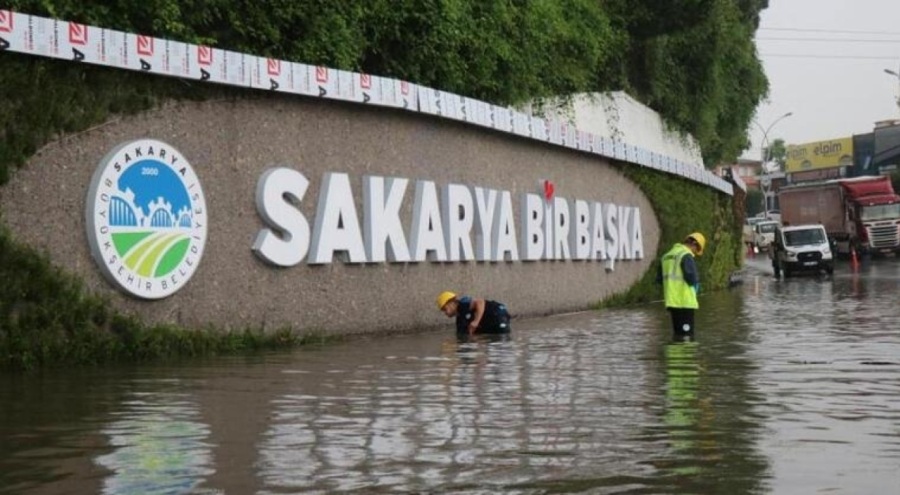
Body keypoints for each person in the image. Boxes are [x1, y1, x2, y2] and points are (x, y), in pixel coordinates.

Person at [658, 232, 705, 337]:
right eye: (696, 250)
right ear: (694, 244)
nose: (695, 254)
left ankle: (675, 353)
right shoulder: (686, 255)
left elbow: (660, 279)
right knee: (687, 336)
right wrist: (696, 285)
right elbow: (692, 278)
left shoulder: (666, 256)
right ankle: (685, 353)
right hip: (685, 302)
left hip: (671, 302)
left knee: (678, 333)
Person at [436, 291, 511, 336]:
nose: (445, 313)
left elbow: (480, 302)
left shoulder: (463, 303)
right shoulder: (460, 320)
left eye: (445, 309)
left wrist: (476, 321)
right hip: (490, 324)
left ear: (452, 303)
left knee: (503, 337)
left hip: (497, 314)